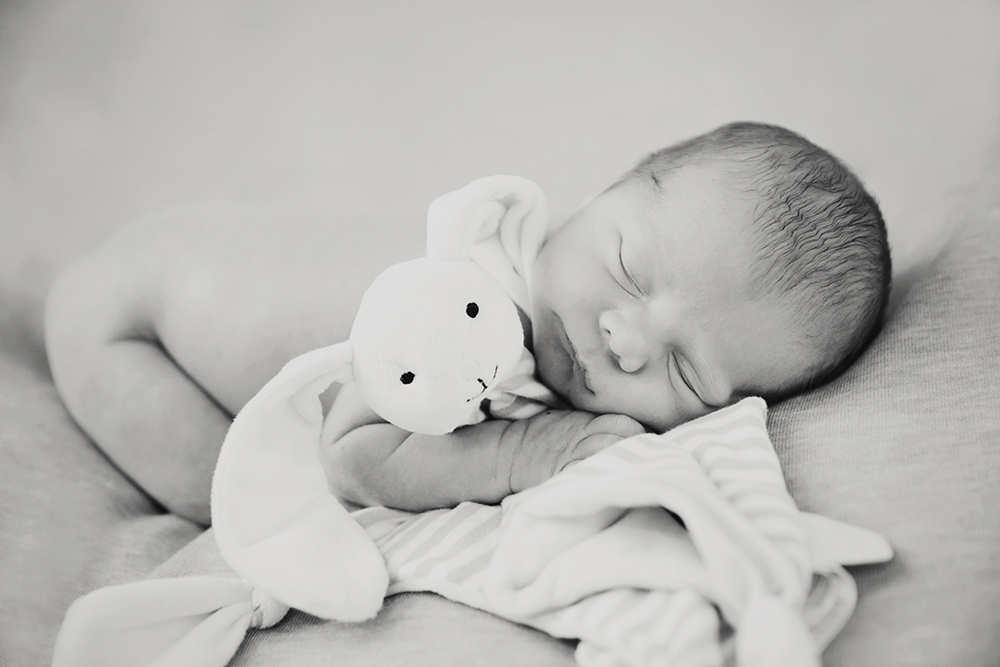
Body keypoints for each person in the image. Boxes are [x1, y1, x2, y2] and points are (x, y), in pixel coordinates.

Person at [44, 122, 890, 526]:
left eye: (686, 372)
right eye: (629, 269)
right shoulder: (471, 292)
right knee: (231, 504)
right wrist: (521, 454)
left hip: (186, 251)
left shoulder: (554, 315)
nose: (622, 339)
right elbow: (354, 455)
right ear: (600, 193)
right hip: (129, 322)